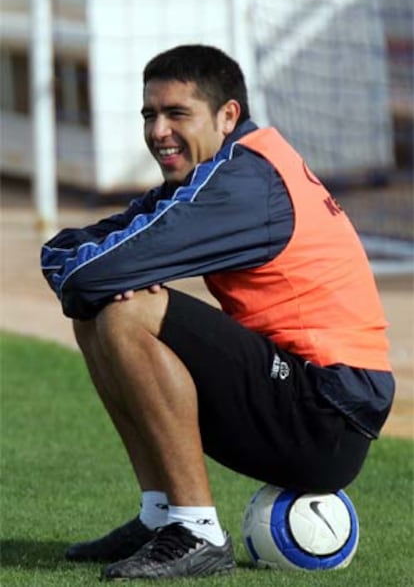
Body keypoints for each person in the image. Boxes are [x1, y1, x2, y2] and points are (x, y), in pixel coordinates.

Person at [41, 44, 395, 581]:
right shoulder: (217, 174)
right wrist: (88, 278)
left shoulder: (243, 184)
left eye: (176, 114)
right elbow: (78, 251)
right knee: (99, 313)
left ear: (227, 115)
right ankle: (162, 517)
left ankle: (196, 532)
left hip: (327, 415)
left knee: (125, 312)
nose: (158, 130)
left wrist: (92, 280)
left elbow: (92, 273)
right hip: (307, 397)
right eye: (149, 115)